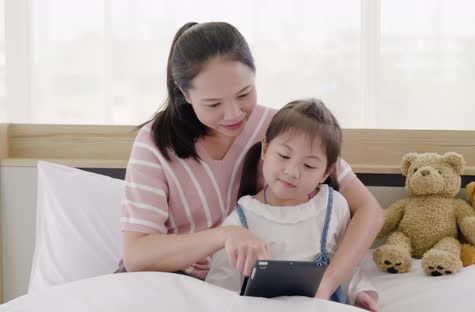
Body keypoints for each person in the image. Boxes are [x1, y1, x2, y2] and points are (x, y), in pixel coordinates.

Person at [119, 21, 384, 300]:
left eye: (244, 93)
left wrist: (329, 283)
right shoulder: (155, 143)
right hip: (171, 287)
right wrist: (224, 235)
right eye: (213, 104)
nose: (233, 114)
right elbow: (137, 255)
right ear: (185, 94)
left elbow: (369, 211)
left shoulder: (281, 132)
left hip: (251, 294)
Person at [206, 98, 379, 311]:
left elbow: (345, 264)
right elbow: (221, 289)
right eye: (284, 155)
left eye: (309, 165)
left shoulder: (334, 206)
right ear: (265, 149)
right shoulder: (241, 221)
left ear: (326, 172)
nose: (292, 172)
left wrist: (358, 292)